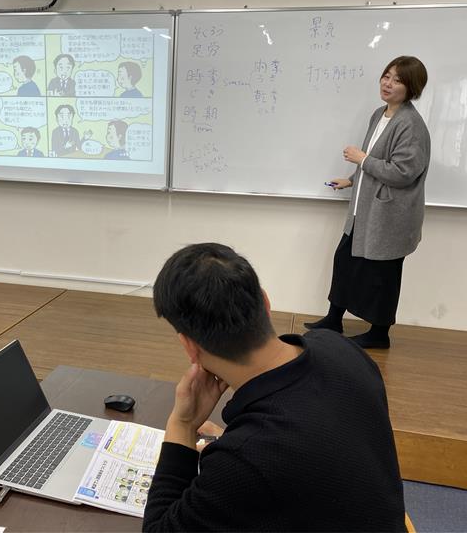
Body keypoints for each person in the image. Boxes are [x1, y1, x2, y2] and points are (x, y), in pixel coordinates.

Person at [144, 242, 406, 532]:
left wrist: (182, 425)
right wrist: (234, 441)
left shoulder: (247, 456)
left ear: (189, 346)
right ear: (266, 303)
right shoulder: (341, 348)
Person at [307, 56, 430, 350]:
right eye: (386, 76)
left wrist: (361, 160)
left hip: (389, 215)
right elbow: (374, 161)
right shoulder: (379, 114)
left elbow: (403, 172)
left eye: (397, 80)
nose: (388, 84)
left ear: (411, 87)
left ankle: (379, 334)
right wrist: (352, 179)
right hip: (363, 210)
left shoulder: (411, 124)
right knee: (345, 261)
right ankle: (334, 319)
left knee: (382, 275)